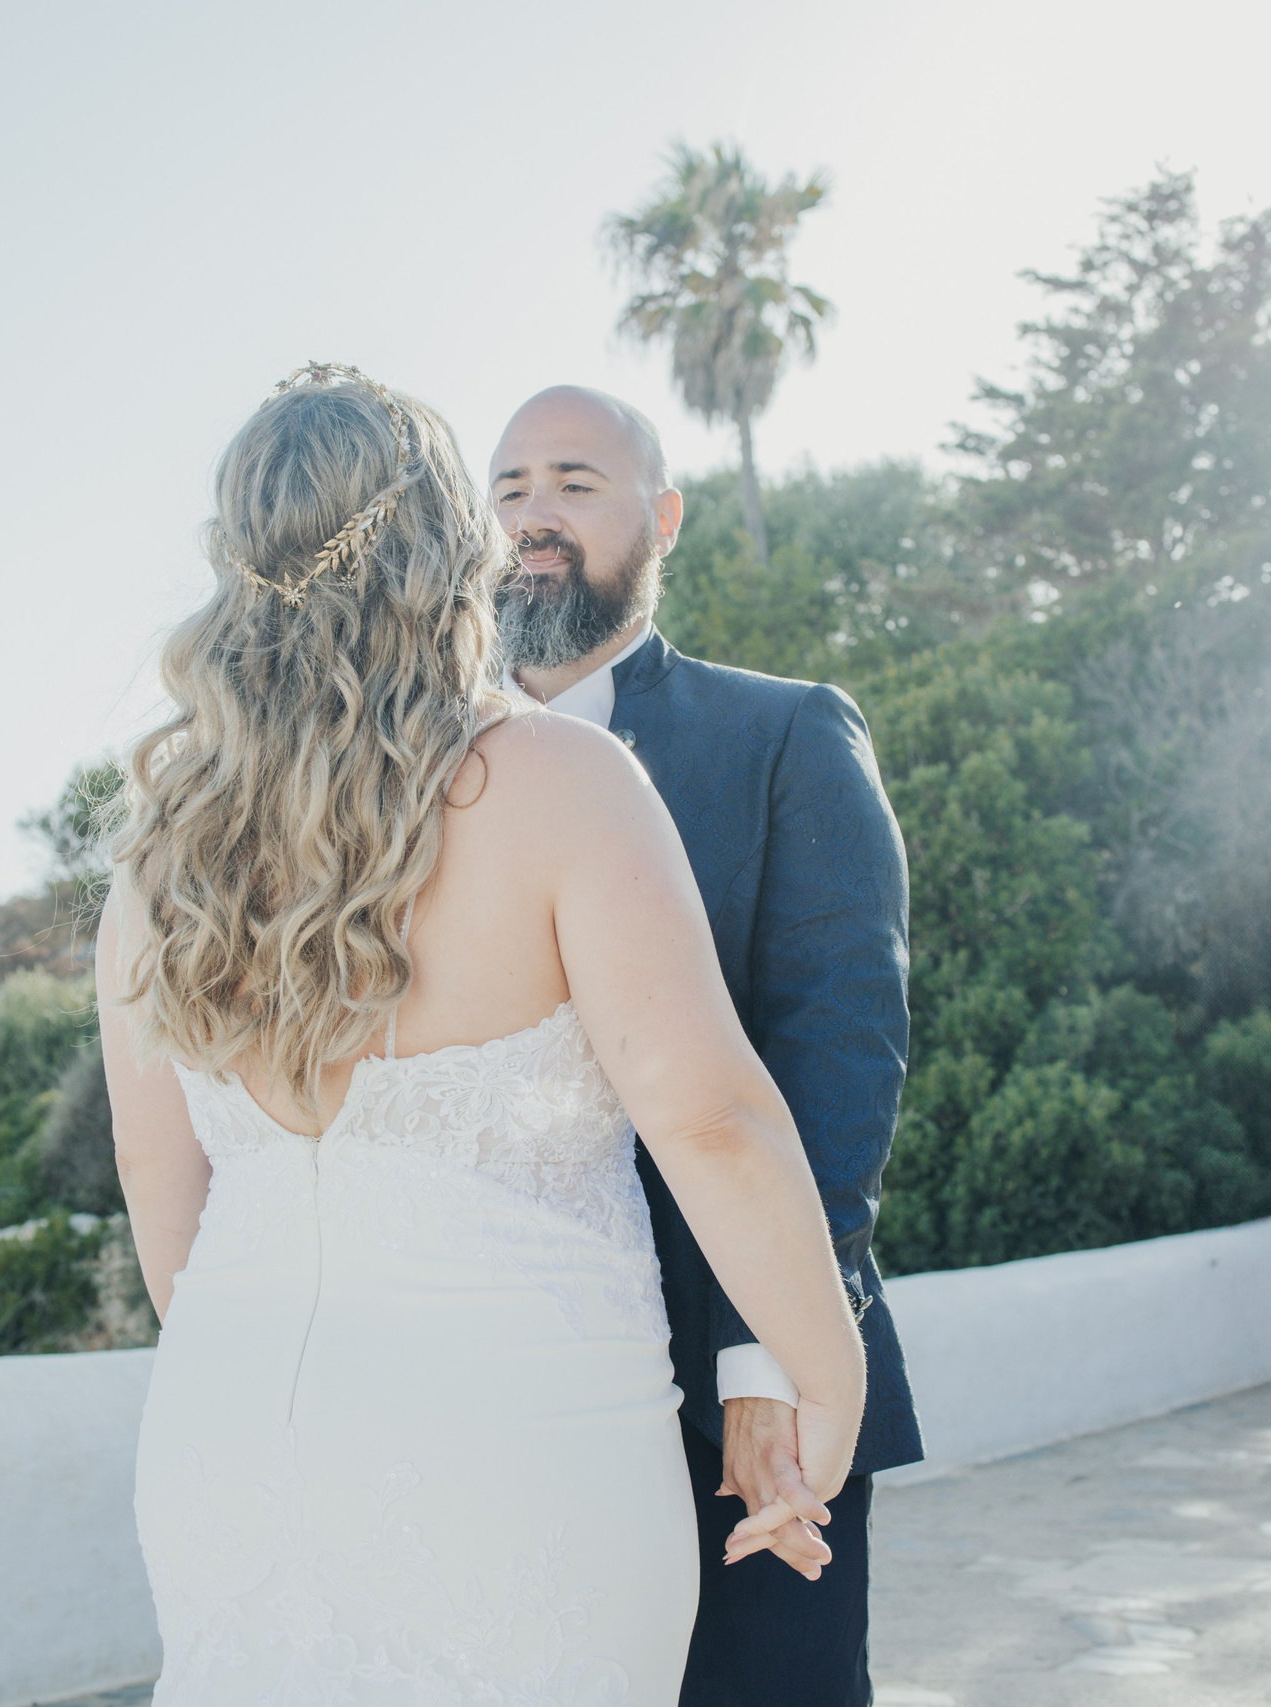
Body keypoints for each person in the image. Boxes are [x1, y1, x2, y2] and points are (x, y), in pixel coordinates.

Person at [97, 364, 868, 1705]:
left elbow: (171, 1209)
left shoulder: (160, 850)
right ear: (450, 545)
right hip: (523, 1449)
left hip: (226, 1444)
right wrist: (824, 1366)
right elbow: (711, 1119)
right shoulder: (557, 782)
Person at [488, 385, 922, 1707]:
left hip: (741, 1395)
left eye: (573, 481)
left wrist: (767, 1359)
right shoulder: (416, 776)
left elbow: (837, 1055)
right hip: (499, 1381)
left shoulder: (781, 734)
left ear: (663, 517)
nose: (534, 518)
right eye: (507, 492)